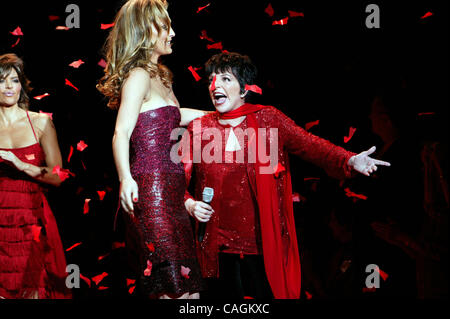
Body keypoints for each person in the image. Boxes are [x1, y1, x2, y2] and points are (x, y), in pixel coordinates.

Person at [181, 52, 390, 299]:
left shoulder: (268, 118)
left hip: (262, 247)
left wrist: (349, 159)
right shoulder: (201, 127)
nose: (215, 85)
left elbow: (309, 144)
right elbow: (176, 179)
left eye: (226, 79)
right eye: (211, 81)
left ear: (244, 89)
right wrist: (190, 204)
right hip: (216, 248)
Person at [96, 0, 205, 299]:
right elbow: (121, 132)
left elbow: (176, 117)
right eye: (166, 25)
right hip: (152, 191)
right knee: (172, 288)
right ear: (146, 30)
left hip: (174, 194)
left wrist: (223, 116)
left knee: (189, 290)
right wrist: (125, 178)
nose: (173, 32)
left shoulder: (161, 75)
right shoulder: (139, 76)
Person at [0, 53, 70, 299]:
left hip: (31, 224)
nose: (9, 86)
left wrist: (22, 165)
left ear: (22, 85)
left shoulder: (40, 123)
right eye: (2, 80)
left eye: (14, 80)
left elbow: (59, 176)